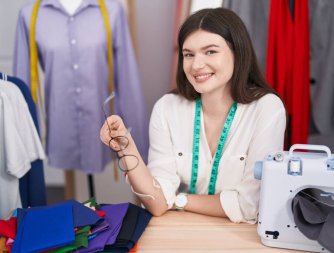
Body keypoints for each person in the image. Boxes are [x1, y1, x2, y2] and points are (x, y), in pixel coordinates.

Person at [100, 8, 286, 223]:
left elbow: (250, 205)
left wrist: (180, 200)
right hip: (180, 231)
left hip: (242, 236)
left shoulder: (267, 109)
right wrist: (126, 146)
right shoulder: (167, 108)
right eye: (188, 54)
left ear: (238, 52)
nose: (196, 65)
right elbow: (157, 202)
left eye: (210, 51)